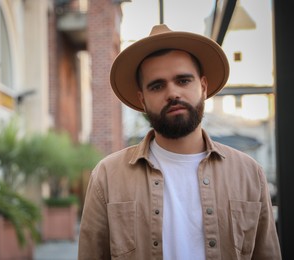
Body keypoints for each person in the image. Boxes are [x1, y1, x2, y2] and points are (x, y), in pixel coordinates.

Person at [78, 24, 281, 260]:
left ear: (203, 87)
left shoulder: (249, 173)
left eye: (183, 81)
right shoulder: (107, 177)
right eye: (157, 85)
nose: (172, 93)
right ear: (142, 100)